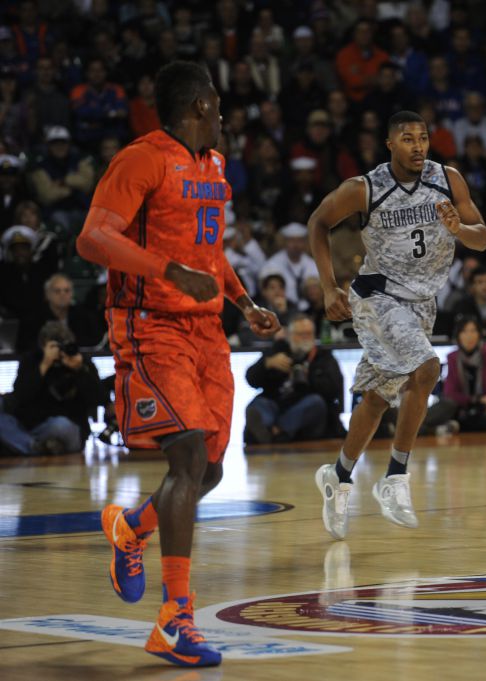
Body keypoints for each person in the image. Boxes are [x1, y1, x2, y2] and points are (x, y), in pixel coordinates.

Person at [75, 61, 280, 667]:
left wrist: (243, 302)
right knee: (187, 455)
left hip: (208, 328)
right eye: (218, 106)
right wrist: (167, 272)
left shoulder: (214, 167)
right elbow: (92, 237)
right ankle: (175, 619)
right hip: (149, 324)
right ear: (199, 105)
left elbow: (208, 252)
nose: (224, 117)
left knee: (210, 471)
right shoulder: (143, 159)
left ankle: (131, 528)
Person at [310, 110, 486, 540]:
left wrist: (459, 228)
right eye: (407, 138)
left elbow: (483, 237)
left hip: (421, 305)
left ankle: (338, 476)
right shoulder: (365, 188)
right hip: (377, 297)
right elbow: (317, 221)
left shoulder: (448, 179)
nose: (418, 146)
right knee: (427, 369)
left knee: (375, 401)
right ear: (390, 144)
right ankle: (395, 476)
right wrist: (329, 287)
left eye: (423, 138)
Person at [0, 321, 102, 456]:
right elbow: (19, 396)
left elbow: (99, 399)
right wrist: (44, 365)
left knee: (61, 425)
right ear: (43, 345)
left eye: (64, 345)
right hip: (32, 426)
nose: (60, 351)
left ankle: (26, 445)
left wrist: (80, 370)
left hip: (67, 426)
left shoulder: (80, 361)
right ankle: (34, 446)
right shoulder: (31, 360)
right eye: (55, 346)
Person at [244, 314, 344, 444]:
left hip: (306, 408)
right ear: (289, 335)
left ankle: (275, 431)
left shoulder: (323, 357)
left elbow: (334, 390)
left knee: (315, 403)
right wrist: (266, 364)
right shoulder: (277, 351)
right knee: (258, 405)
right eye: (300, 334)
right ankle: (270, 430)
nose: (305, 338)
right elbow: (251, 380)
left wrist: (310, 376)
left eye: (309, 334)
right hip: (276, 404)